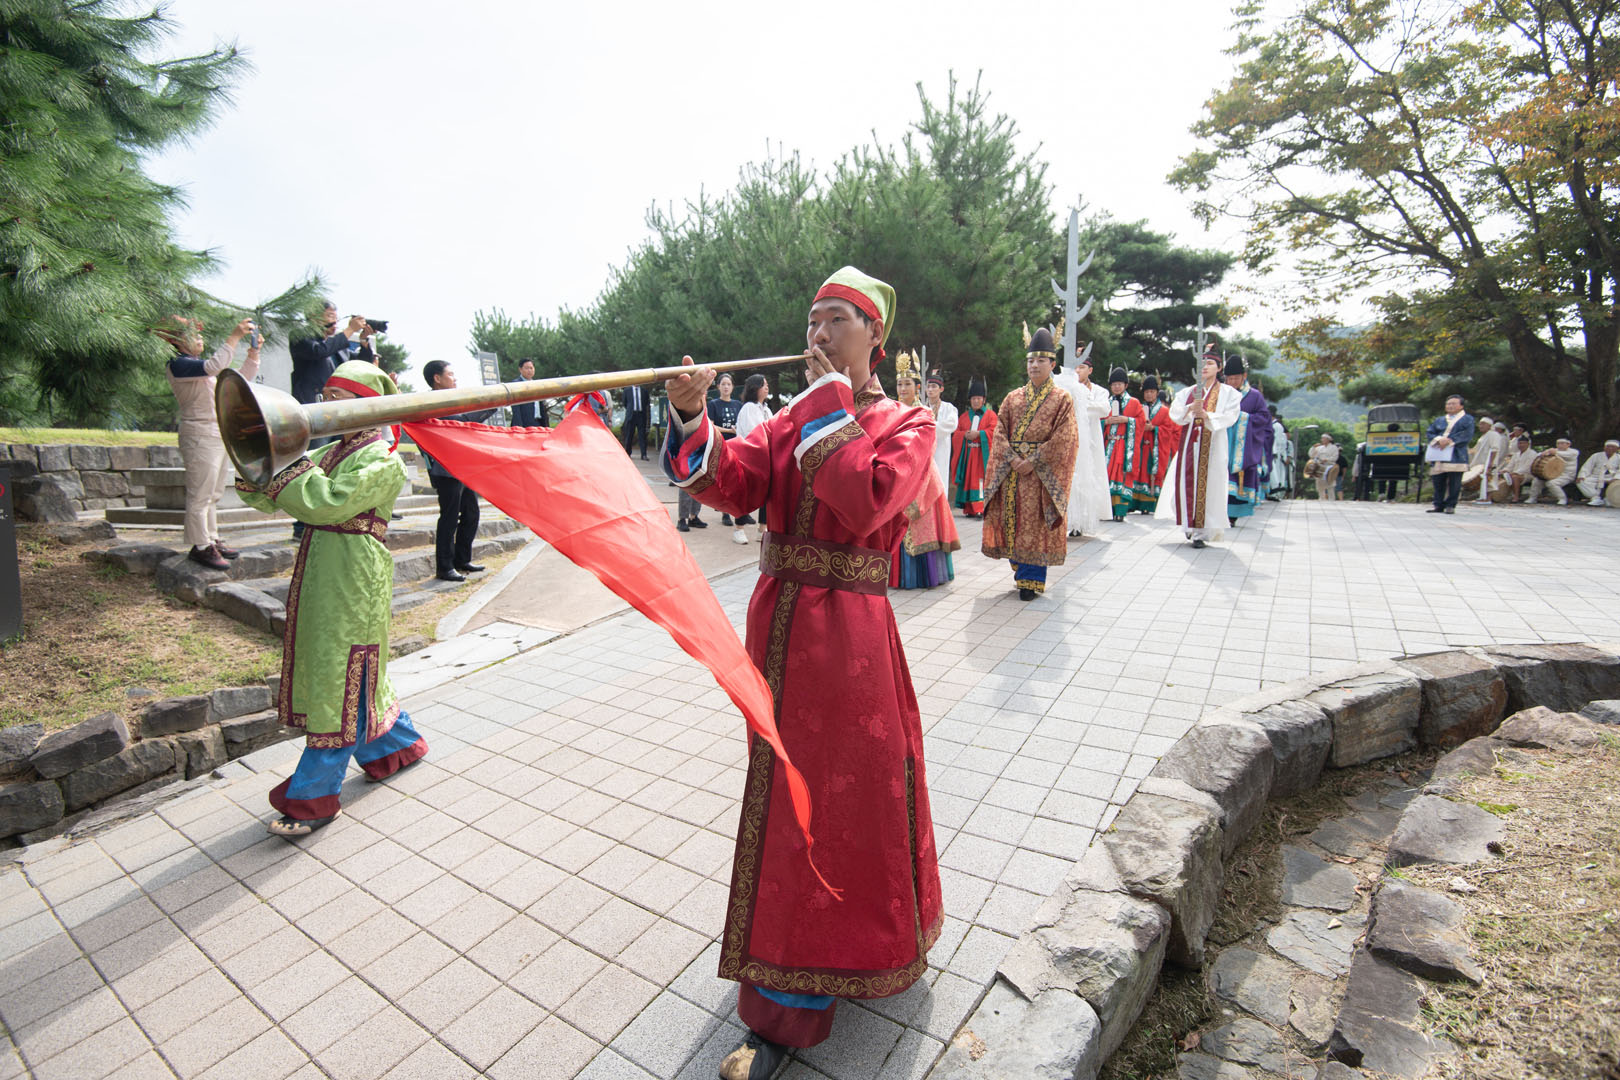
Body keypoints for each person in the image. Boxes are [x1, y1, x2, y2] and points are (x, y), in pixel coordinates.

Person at [661, 266, 941, 1078]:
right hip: (777, 630)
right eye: (812, 320)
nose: (816, 335)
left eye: (836, 320)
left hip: (851, 641)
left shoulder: (908, 423)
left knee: (843, 800)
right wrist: (693, 415)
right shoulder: (790, 421)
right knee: (782, 798)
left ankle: (799, 999)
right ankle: (790, 966)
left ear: (875, 336)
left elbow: (867, 500)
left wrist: (824, 406)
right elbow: (729, 483)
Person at [233, 360, 428, 836]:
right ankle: (396, 747)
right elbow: (267, 494)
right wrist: (257, 456)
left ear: (366, 405)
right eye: (326, 393)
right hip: (324, 567)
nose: (324, 403)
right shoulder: (330, 452)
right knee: (342, 667)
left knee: (344, 672)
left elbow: (325, 503)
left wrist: (288, 466)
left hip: (355, 573)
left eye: (337, 396)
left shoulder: (383, 458)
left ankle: (314, 797)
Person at [981, 326, 1080, 600]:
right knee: (1013, 521)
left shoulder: (1062, 399)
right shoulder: (1013, 398)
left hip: (1039, 476)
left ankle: (1031, 581)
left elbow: (1066, 438)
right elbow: (999, 432)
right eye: (1031, 360)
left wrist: (1034, 460)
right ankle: (1020, 570)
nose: (1034, 365)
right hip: (1012, 472)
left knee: (1035, 525)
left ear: (1052, 364)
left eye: (1041, 360)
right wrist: (1012, 458)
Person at [158, 315, 261, 569]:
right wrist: (234, 337)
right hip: (199, 433)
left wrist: (253, 354)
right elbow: (215, 366)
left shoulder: (198, 366)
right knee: (200, 494)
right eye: (193, 334)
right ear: (176, 340)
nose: (200, 337)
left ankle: (211, 538)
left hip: (216, 432)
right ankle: (200, 545)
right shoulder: (178, 364)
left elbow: (239, 381)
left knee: (213, 493)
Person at [1156, 349, 1243, 547]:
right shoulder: (1187, 392)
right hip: (1189, 445)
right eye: (1202, 363)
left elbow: (1231, 416)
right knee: (1185, 484)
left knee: (1210, 486)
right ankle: (1189, 525)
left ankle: (1202, 531)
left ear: (1219, 368)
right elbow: (1175, 413)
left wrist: (1207, 416)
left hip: (1214, 446)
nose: (1205, 367)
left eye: (1210, 363)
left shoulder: (1230, 394)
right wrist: (1189, 409)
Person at [419, 361, 494, 581]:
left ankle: (462, 559)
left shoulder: (453, 400)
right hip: (444, 469)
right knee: (450, 517)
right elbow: (460, 421)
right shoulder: (430, 403)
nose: (455, 378)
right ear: (437, 378)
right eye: (450, 374)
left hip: (463, 466)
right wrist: (491, 404)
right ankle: (444, 567)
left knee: (471, 513)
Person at [892, 351, 960, 588]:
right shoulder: (891, 411)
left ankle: (921, 574)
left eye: (907, 384)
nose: (903, 388)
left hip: (921, 475)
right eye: (900, 384)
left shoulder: (924, 413)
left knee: (921, 524)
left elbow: (928, 444)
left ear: (917, 387)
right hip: (896, 473)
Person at [1051, 348, 1109, 537]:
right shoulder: (1063, 388)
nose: (1078, 371)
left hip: (1089, 443)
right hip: (1066, 439)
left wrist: (1079, 403)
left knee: (1086, 479)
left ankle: (1081, 521)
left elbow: (1104, 409)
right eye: (1075, 367)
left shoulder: (1099, 391)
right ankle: (1064, 519)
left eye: (1082, 367)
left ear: (1090, 370)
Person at [1223, 355, 1274, 525]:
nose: (1232, 382)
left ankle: (1233, 515)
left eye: (1236, 378)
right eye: (1229, 379)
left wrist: (1243, 418)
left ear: (1244, 376)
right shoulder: (1222, 394)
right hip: (1224, 443)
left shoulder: (1254, 396)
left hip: (1243, 448)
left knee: (1237, 481)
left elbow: (1264, 418)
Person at [732, 374, 773, 542]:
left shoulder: (766, 409)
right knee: (746, 493)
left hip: (766, 457)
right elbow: (754, 432)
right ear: (755, 388)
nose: (767, 387)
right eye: (763, 384)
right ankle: (739, 529)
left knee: (767, 492)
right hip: (749, 457)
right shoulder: (749, 408)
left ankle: (762, 528)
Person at [1101, 366, 1146, 522]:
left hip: (1125, 446)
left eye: (1119, 384)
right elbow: (1097, 421)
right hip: (1109, 445)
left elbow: (1141, 422)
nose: (1116, 387)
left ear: (1126, 385)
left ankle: (1120, 511)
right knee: (1106, 474)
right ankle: (1107, 510)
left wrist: (1127, 420)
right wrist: (1106, 422)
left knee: (1122, 474)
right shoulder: (1106, 403)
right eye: (1114, 384)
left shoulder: (1134, 403)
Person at [950, 376, 997, 517]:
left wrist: (980, 434)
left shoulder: (991, 416)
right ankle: (969, 509)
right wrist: (964, 435)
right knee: (968, 480)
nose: (976, 401)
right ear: (970, 400)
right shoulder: (964, 417)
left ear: (984, 400)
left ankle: (980, 508)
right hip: (967, 455)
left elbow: (995, 431)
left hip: (982, 456)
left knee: (981, 481)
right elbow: (956, 433)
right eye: (973, 398)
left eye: (979, 398)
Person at [1133, 375, 1180, 513]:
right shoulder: (1139, 409)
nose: (1149, 394)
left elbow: (1169, 429)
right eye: (1146, 392)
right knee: (1139, 472)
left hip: (1155, 448)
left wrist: (1154, 428)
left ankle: (1149, 504)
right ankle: (1135, 502)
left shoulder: (1165, 411)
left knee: (1150, 474)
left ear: (1157, 393)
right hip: (1141, 447)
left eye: (1152, 392)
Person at [1425, 395, 1476, 514]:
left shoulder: (1467, 419)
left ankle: (1450, 505)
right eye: (1448, 404)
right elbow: (1430, 432)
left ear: (1461, 406)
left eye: (1453, 403)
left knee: (1454, 482)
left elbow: (1467, 435)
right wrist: (1439, 439)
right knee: (1438, 481)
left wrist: (1449, 441)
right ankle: (1438, 504)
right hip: (1439, 453)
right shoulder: (1439, 420)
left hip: (1456, 454)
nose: (1450, 406)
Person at [707, 374, 745, 529]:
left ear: (733, 386)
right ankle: (725, 512)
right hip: (722, 444)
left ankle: (740, 512)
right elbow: (711, 425)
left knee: (738, 478)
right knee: (724, 480)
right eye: (723, 384)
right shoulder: (713, 404)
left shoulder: (738, 405)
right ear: (718, 387)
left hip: (737, 445)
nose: (726, 387)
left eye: (729, 384)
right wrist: (729, 430)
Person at [925, 371, 958, 490]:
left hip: (941, 450)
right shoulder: (921, 408)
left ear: (941, 389)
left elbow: (951, 425)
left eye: (934, 386)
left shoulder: (949, 408)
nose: (930, 389)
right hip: (924, 451)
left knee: (940, 483)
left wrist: (928, 427)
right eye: (928, 386)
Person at [1527, 437, 1579, 505]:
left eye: (1562, 443)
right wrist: (1543, 453)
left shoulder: (1574, 452)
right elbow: (1539, 454)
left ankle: (1562, 499)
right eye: (1558, 443)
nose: (1560, 445)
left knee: (1551, 483)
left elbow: (1565, 455)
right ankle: (1532, 498)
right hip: (1553, 474)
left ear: (1568, 444)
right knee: (1537, 480)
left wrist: (1552, 452)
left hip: (1566, 476)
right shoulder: (1554, 451)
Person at [1468, 417, 1508, 504]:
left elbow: (1494, 449)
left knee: (1490, 479)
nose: (1480, 426)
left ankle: (1488, 498)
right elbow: (1476, 449)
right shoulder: (1484, 436)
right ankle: (1482, 497)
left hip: (1489, 461)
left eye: (1483, 424)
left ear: (1489, 426)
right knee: (1483, 480)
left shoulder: (1493, 434)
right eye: (1480, 424)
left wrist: (1490, 463)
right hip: (1481, 461)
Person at [1577, 439, 1620, 506]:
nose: (1610, 448)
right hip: (1596, 476)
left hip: (1611, 477)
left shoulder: (1618, 457)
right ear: (1604, 447)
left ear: (1617, 449)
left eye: (1612, 447)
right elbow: (1587, 466)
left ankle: (1608, 499)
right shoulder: (1596, 455)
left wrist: (1616, 478)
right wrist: (1582, 476)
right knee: (1580, 482)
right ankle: (1596, 498)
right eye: (1608, 446)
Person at [510, 358, 551, 429]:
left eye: (531, 368)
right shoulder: (515, 384)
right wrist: (519, 427)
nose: (529, 370)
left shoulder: (537, 384)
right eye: (526, 368)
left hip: (539, 423)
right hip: (524, 425)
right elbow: (516, 410)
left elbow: (542, 408)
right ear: (520, 369)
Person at [622, 380, 652, 459]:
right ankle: (628, 453)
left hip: (641, 415)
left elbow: (646, 402)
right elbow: (625, 403)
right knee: (629, 435)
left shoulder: (644, 391)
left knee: (642, 435)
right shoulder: (627, 390)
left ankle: (644, 454)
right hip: (631, 415)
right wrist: (630, 410)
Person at [1505, 436, 1538, 501]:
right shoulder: (1516, 454)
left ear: (1528, 444)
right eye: (1520, 443)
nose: (1521, 445)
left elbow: (1527, 467)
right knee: (1505, 475)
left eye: (1523, 443)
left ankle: (1516, 496)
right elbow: (1510, 466)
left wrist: (1516, 472)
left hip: (1528, 475)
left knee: (1514, 477)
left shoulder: (1532, 453)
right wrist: (1504, 470)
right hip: (1515, 474)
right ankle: (1503, 495)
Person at [1307, 435, 1341, 500]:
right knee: (1319, 485)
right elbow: (1311, 455)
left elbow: (1335, 457)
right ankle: (1321, 498)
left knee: (1330, 484)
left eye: (1324, 438)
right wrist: (1313, 447)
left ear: (1328, 439)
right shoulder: (1320, 448)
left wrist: (1327, 460)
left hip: (1329, 467)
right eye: (1322, 438)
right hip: (1320, 467)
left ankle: (1331, 499)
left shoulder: (1334, 447)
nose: (1322, 440)